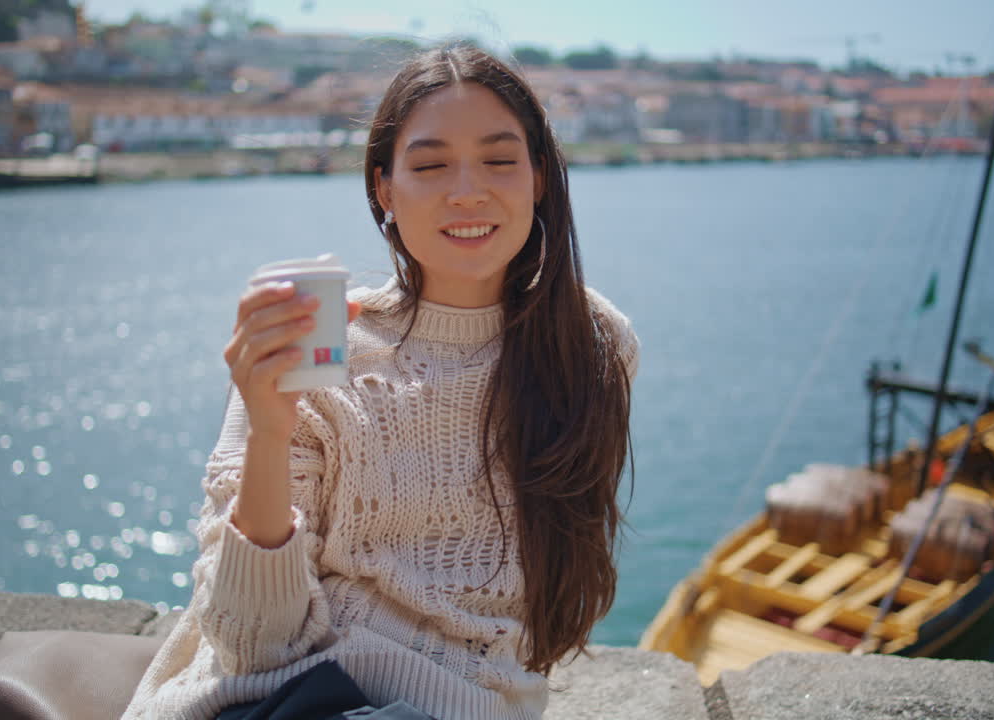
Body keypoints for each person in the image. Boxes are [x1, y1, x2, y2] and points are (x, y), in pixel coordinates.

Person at [122, 44, 638, 720]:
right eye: (429, 165)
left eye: (499, 160)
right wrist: (268, 433)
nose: (466, 190)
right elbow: (253, 646)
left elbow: (556, 590)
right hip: (288, 697)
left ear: (539, 177)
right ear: (383, 189)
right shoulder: (316, 352)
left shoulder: (594, 346)